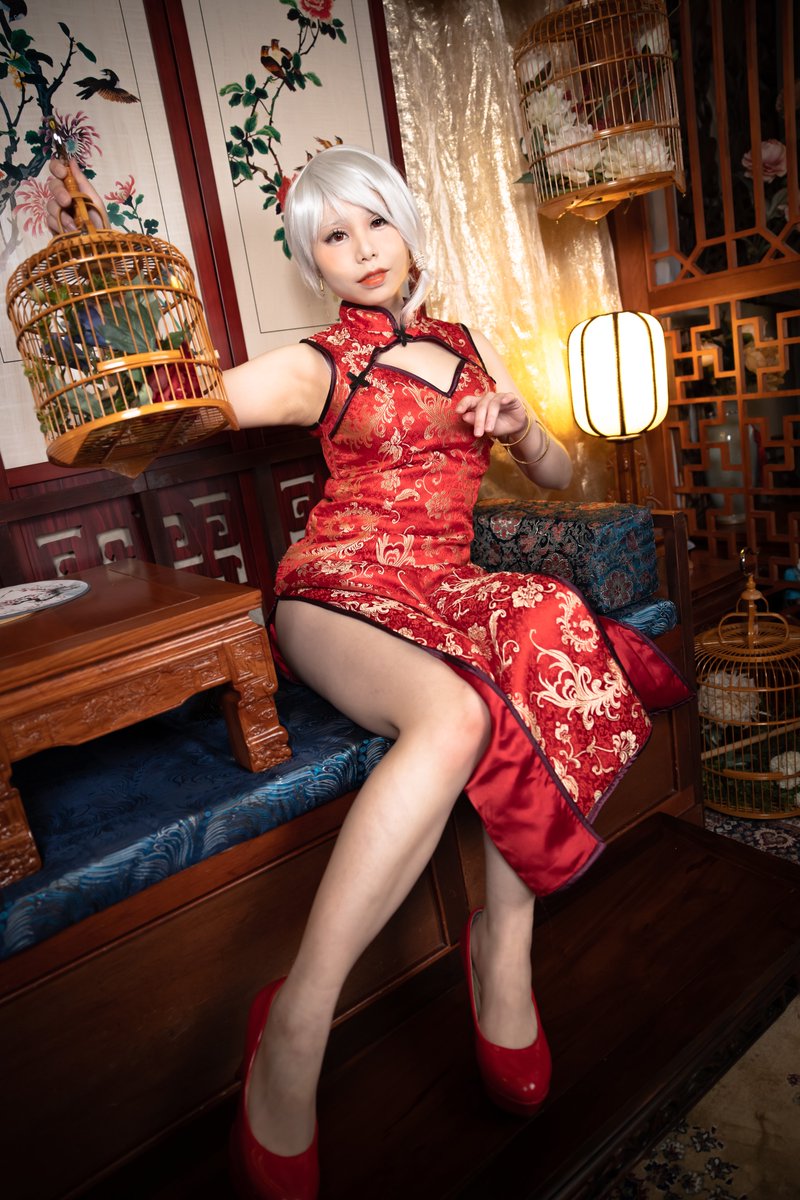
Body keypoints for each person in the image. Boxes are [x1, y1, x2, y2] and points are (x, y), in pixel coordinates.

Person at [47, 146, 690, 1200]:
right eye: (332, 237)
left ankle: (503, 947)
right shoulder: (319, 364)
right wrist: (115, 353)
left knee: (546, 619)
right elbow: (184, 409)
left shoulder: (466, 346)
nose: (361, 251)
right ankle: (297, 1020)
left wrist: (521, 424)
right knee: (452, 716)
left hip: (444, 584)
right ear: (315, 262)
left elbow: (561, 473)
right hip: (337, 593)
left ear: (404, 226)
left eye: (374, 223)